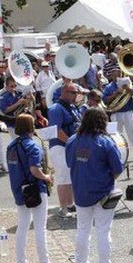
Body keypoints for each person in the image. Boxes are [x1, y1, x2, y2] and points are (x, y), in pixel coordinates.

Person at [66, 108, 124, 263]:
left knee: (82, 231)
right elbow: (117, 168)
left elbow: (70, 163)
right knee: (103, 232)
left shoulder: (72, 140)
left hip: (81, 191)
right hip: (103, 192)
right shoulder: (105, 141)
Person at [7, 114, 60, 263]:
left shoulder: (11, 146)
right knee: (40, 227)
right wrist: (47, 177)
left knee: (22, 224)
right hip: (35, 188)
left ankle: (21, 262)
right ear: (31, 127)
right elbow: (34, 170)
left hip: (18, 188)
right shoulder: (33, 146)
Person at [48, 83, 82, 218]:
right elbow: (57, 130)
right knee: (62, 177)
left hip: (68, 146)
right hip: (59, 147)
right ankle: (63, 208)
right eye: (73, 93)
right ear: (65, 92)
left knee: (69, 176)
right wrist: (71, 143)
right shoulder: (56, 108)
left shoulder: (72, 107)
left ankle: (70, 204)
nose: (76, 95)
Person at [102, 65, 133, 160]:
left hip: (128, 111)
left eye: (118, 73)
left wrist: (127, 89)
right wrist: (116, 93)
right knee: (116, 134)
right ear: (111, 76)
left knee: (132, 132)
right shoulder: (109, 87)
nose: (117, 75)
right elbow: (105, 101)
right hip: (115, 112)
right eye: (114, 74)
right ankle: (119, 154)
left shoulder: (128, 83)